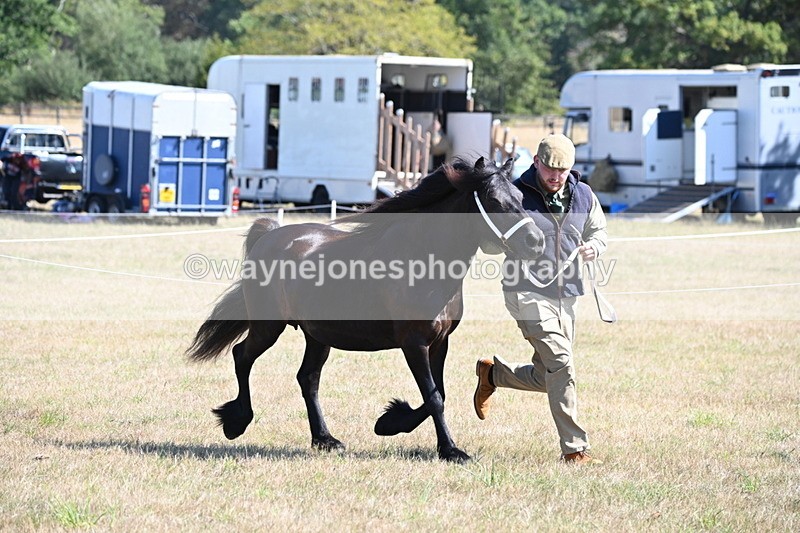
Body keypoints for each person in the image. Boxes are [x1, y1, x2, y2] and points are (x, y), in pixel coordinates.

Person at [474, 133, 608, 465]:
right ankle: (574, 449)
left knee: (548, 374)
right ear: (536, 162)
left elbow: (599, 231)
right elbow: (490, 244)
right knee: (562, 364)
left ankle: (494, 375)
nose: (555, 176)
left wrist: (595, 246)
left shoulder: (585, 195)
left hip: (567, 295)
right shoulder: (516, 194)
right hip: (525, 291)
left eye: (562, 171)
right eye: (549, 168)